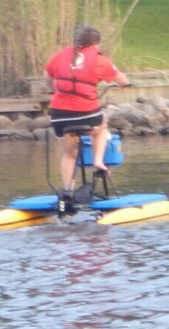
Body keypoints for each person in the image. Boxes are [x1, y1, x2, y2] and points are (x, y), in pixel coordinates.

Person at [44, 26, 129, 205]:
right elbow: (121, 78)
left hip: (59, 115)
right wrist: (124, 84)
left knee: (69, 154)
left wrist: (54, 90)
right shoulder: (100, 60)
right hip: (86, 114)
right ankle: (98, 161)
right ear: (96, 44)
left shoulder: (62, 54)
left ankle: (67, 191)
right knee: (102, 125)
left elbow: (47, 77)